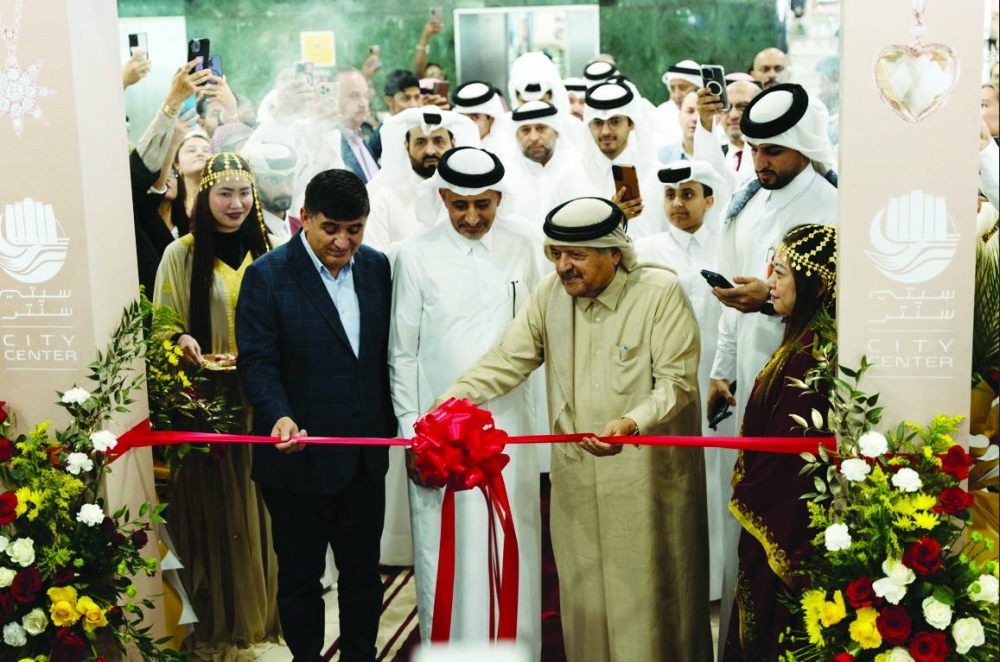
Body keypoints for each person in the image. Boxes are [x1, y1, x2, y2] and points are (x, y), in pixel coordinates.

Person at [435, 197, 711, 662]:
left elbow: (676, 383)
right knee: (584, 603)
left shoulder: (659, 293)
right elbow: (508, 359)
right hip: (578, 480)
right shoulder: (549, 295)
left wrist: (631, 423)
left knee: (649, 603)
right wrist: (450, 400)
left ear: (614, 254)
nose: (563, 267)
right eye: (556, 253)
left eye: (576, 255)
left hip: (646, 483)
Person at [235, 169, 395, 662]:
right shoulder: (268, 274)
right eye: (331, 228)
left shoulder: (376, 268)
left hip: (365, 457)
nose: (343, 241)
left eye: (355, 228)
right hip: (296, 459)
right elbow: (257, 362)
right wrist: (278, 415)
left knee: (364, 575)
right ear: (304, 218)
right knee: (301, 579)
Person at [390, 147, 542, 656]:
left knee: (511, 540)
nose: (472, 218)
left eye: (483, 205)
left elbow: (536, 340)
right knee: (445, 552)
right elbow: (402, 352)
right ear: (443, 199)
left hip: (512, 426)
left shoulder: (524, 247)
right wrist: (414, 433)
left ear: (500, 198)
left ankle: (515, 649)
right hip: (439, 436)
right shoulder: (414, 252)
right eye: (459, 206)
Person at [707, 82, 838, 658]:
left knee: (793, 522)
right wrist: (722, 371)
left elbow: (844, 308)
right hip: (756, 382)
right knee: (750, 525)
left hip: (808, 394)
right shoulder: (748, 201)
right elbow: (730, 296)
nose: (760, 162)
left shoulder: (834, 209)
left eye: (773, 152)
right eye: (754, 149)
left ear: (804, 147)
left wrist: (767, 299)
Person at [152, 152, 279, 659]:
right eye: (224, 193)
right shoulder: (181, 255)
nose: (236, 203)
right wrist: (181, 339)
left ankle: (266, 612)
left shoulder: (268, 251)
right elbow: (160, 325)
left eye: (244, 192)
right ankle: (218, 618)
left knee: (263, 509)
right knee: (218, 510)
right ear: (203, 197)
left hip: (264, 406)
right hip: (208, 410)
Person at [723, 224, 836, 661]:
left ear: (815, 284)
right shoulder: (803, 338)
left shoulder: (811, 353)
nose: (769, 281)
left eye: (782, 272)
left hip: (788, 519)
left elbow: (791, 455)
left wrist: (747, 487)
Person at [634, 160, 734, 603]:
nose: (678, 203)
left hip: (721, 376)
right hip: (664, 381)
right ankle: (680, 583)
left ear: (709, 200)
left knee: (720, 475)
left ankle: (718, 581)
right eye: (671, 195)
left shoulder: (729, 245)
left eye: (689, 194)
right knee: (671, 478)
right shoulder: (646, 248)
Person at [363, 106, 480, 258]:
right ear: (406, 146)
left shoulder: (470, 196)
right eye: (420, 142)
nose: (430, 150)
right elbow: (375, 259)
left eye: (439, 141)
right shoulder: (385, 198)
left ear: (453, 144)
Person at [552, 81, 661, 238]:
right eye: (597, 123)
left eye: (615, 122)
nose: (605, 131)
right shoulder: (567, 179)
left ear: (631, 123)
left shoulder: (656, 177)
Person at [694, 79, 761, 187]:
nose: (733, 115)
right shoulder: (718, 153)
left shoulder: (771, 157)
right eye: (727, 107)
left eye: (742, 107)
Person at [242, 140, 301, 243]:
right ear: (254, 183)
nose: (284, 189)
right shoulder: (245, 231)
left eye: (289, 178)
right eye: (274, 180)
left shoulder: (303, 227)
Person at [338, 66, 380, 183]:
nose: (363, 104)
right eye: (354, 96)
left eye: (365, 96)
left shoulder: (360, 137)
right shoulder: (333, 145)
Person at [656, 59, 702, 146]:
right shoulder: (660, 114)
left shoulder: (712, 114)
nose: (676, 95)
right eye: (672, 89)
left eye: (683, 88)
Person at [658, 90, 699, 163]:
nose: (695, 118)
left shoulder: (723, 155)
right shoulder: (661, 158)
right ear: (679, 116)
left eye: (701, 113)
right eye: (690, 111)